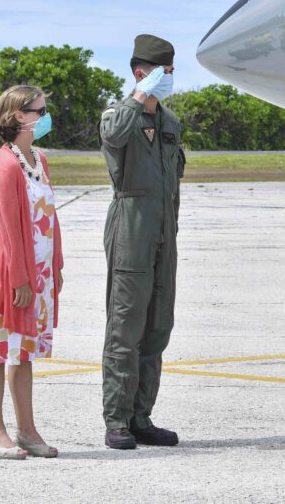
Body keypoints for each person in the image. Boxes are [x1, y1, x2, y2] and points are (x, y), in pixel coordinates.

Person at [100, 34, 185, 449]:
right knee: (125, 327)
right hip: (131, 231)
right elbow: (114, 136)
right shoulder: (118, 115)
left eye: (171, 71)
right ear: (141, 73)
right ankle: (116, 419)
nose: (169, 78)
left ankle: (140, 417)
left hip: (164, 235)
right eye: (163, 72)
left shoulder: (170, 123)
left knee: (157, 328)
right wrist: (138, 97)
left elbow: (173, 185)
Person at [0, 85, 64, 459]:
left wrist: (56, 265)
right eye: (40, 111)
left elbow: (50, 216)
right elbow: (7, 230)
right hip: (14, 276)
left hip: (39, 273)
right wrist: (19, 279)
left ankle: (27, 431)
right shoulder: (6, 164)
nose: (46, 117)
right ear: (20, 116)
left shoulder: (38, 159)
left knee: (23, 351)